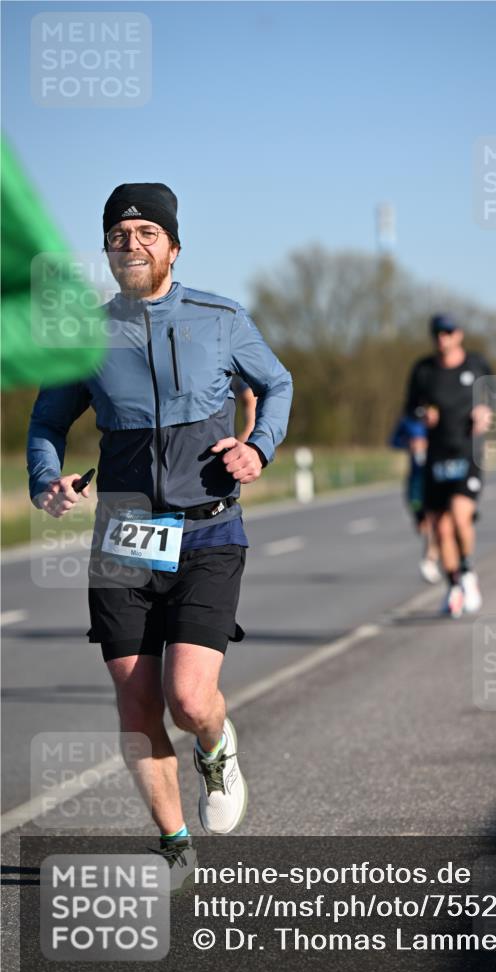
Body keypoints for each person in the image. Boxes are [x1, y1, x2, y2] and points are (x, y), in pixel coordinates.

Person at [27, 183, 293, 886]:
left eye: (147, 231)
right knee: (137, 701)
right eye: (119, 232)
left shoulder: (221, 318)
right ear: (107, 249)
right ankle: (174, 842)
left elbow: (278, 383)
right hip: (123, 539)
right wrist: (45, 477)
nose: (132, 242)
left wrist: (258, 447)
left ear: (173, 246)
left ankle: (216, 749)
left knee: (189, 698)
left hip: (207, 532)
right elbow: (47, 422)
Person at [404, 314, 495, 617]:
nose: (442, 338)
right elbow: (410, 408)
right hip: (436, 455)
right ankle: (454, 583)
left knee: (460, 514)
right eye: (437, 333)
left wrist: (484, 411)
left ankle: (468, 572)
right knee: (441, 530)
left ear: (459, 334)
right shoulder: (424, 370)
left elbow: (493, 394)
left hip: (467, 451)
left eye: (448, 332)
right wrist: (423, 414)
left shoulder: (476, 365)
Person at [389, 413, 441, 583]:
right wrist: (408, 444)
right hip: (416, 479)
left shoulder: (439, 416)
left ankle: (430, 559)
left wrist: (431, 444)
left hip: (435, 476)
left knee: (434, 520)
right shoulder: (408, 419)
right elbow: (393, 441)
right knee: (422, 524)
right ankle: (433, 554)